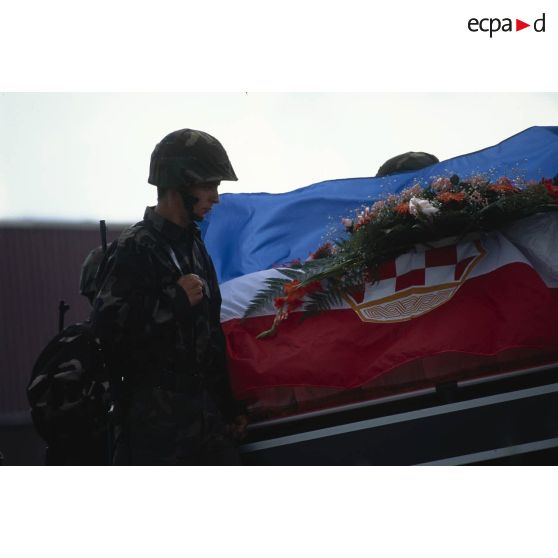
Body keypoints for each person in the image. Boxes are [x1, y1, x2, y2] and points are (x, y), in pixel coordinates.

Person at [91, 128, 247, 465]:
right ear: (179, 183)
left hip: (205, 418)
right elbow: (106, 329)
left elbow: (211, 334)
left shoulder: (194, 245)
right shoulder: (135, 247)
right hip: (157, 430)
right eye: (209, 185)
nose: (216, 197)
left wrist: (227, 404)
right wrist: (172, 302)